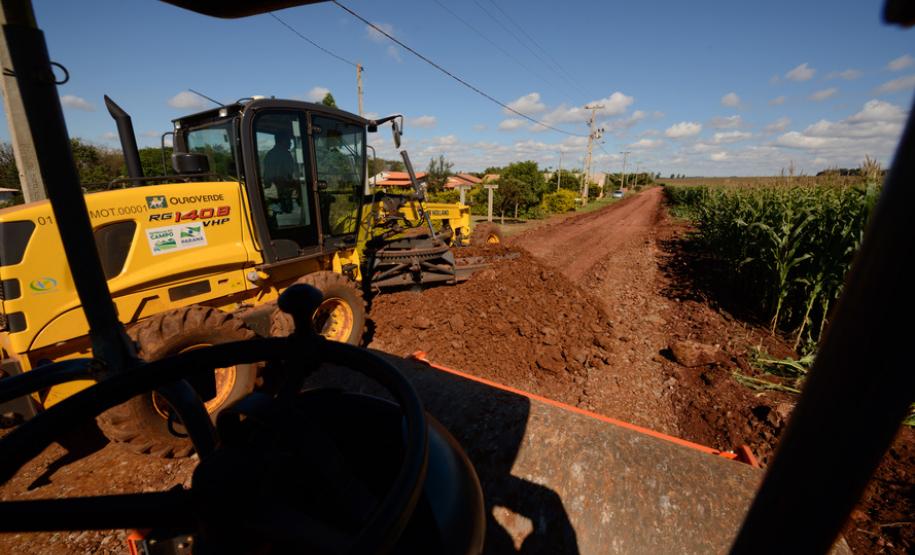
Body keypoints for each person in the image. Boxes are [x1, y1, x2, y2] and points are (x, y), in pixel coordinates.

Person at [263, 130, 296, 213]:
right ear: (282, 141)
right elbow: (288, 175)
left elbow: (267, 177)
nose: (290, 143)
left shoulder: (269, 154)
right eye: (288, 140)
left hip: (270, 194)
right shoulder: (285, 154)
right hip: (282, 194)